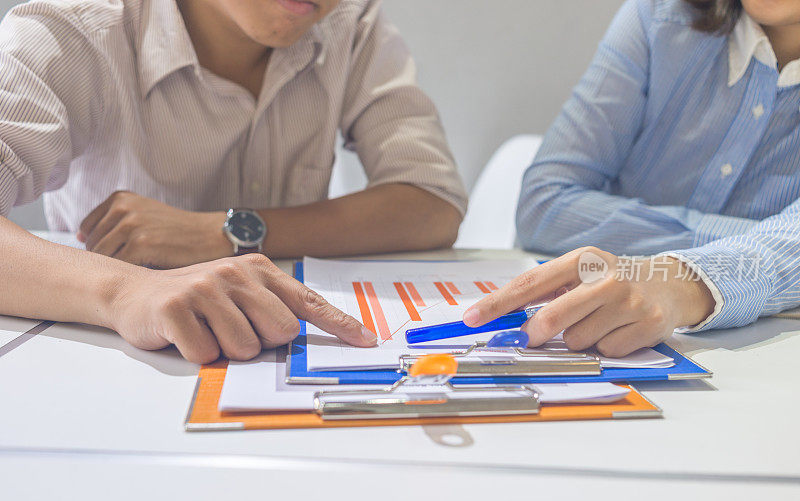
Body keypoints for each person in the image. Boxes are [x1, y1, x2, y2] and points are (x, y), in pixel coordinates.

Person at [0, 0, 466, 363]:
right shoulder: (72, 30)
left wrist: (227, 231)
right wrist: (127, 290)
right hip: (105, 357)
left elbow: (432, 201)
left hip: (278, 344)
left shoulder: (349, 22)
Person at [465, 0, 800, 357]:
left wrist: (683, 280)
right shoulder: (658, 15)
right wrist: (765, 238)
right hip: (597, 334)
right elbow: (545, 204)